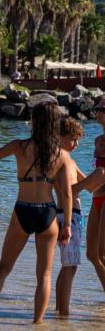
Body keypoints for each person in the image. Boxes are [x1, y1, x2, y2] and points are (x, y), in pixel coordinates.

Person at [0, 102, 73, 324]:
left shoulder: (19, 147)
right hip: (47, 214)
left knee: (4, 267)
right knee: (44, 275)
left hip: (23, 211)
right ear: (55, 124)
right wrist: (66, 225)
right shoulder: (62, 155)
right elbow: (66, 194)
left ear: (34, 122)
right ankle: (37, 323)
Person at [54, 118, 105, 316]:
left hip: (72, 216)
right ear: (59, 137)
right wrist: (91, 181)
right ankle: (63, 314)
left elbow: (91, 186)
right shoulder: (60, 159)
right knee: (71, 266)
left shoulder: (69, 159)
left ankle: (60, 309)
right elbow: (67, 192)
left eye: (78, 141)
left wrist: (95, 181)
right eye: (73, 140)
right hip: (68, 217)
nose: (77, 145)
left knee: (68, 266)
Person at [86, 99, 105, 293]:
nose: (98, 111)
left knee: (102, 253)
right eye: (97, 108)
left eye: (102, 108)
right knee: (92, 254)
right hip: (96, 197)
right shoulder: (98, 140)